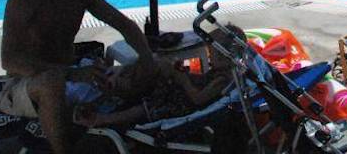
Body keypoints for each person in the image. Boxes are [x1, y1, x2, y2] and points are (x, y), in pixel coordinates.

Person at [0, 0, 156, 154]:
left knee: (154, 68)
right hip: (27, 81)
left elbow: (124, 24)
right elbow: (9, 60)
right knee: (52, 81)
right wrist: (71, 74)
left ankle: (136, 136)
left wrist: (147, 59)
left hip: (71, 72)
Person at [75, 25, 242, 128]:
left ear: (223, 55)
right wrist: (184, 73)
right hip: (178, 96)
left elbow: (197, 99)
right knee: (157, 65)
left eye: (211, 51)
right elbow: (201, 83)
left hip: (180, 106)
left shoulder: (223, 79)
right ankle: (115, 80)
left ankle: (104, 118)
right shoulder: (225, 73)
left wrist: (181, 79)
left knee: (143, 107)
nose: (209, 54)